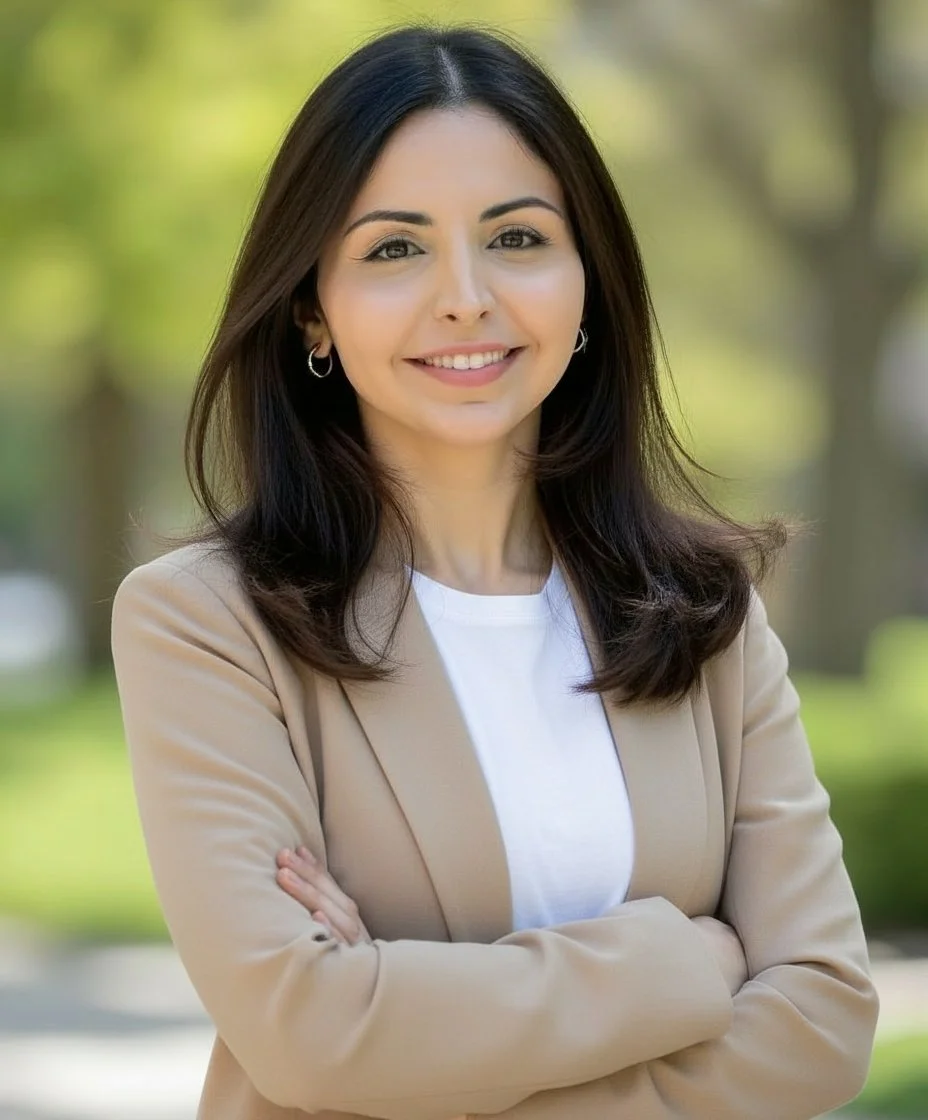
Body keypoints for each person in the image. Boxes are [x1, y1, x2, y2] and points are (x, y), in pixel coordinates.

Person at [110, 22, 879, 1120]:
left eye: (516, 238)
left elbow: (821, 1026)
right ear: (311, 310)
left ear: (586, 284)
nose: (466, 297)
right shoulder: (208, 624)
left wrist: (412, 1019)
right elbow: (311, 1036)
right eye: (393, 248)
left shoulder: (708, 615)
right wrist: (689, 963)